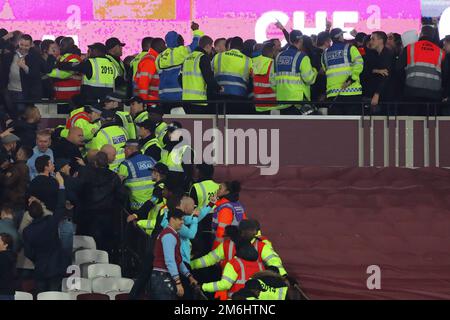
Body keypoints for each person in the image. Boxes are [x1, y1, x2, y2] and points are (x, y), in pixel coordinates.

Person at [22, 172, 69, 293]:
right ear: (42, 210)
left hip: (40, 268)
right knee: (54, 295)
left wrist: (38, 258)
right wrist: (61, 185)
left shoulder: (27, 231)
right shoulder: (50, 222)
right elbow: (60, 206)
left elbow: (28, 252)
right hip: (56, 266)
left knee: (41, 295)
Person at [78, 152, 126, 255]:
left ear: (95, 162)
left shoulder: (86, 176)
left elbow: (79, 192)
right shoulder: (114, 177)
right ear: (107, 162)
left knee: (90, 245)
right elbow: (121, 196)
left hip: (89, 216)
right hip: (108, 216)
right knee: (105, 246)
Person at [0, 34, 56, 120]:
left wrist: (24, 67)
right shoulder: (9, 56)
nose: (23, 47)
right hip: (9, 91)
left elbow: (42, 72)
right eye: (21, 45)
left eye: (26, 45)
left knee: (23, 116)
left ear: (31, 45)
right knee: (11, 115)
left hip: (25, 93)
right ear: (18, 43)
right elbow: (4, 73)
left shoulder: (35, 57)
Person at [150, 208, 198, 300]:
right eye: (180, 219)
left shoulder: (172, 234)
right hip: (162, 278)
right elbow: (170, 261)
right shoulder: (169, 236)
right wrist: (178, 282)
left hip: (163, 277)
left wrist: (189, 276)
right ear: (172, 219)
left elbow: (177, 260)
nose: (182, 222)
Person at [397, 25, 444, 116]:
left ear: (421, 34)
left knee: (412, 124)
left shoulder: (410, 48)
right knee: (430, 125)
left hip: (412, 92)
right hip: (433, 94)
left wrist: (406, 81)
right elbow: (446, 74)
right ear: (433, 36)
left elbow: (398, 68)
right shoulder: (440, 52)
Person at [156, 22, 203, 112]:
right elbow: (195, 46)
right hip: (178, 96)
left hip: (163, 97)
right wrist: (196, 31)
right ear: (177, 41)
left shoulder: (159, 57)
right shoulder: (179, 52)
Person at [274, 30, 318, 114]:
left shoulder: (278, 56)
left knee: (286, 126)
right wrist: (314, 71)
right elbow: (309, 79)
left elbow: (272, 80)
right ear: (301, 40)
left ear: (290, 40)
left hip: (282, 101)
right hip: (298, 102)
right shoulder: (302, 57)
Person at [322, 28, 364, 115]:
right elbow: (359, 63)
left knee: (337, 125)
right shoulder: (350, 48)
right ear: (340, 36)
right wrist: (351, 79)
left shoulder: (324, 54)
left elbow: (326, 70)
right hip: (352, 92)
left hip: (333, 94)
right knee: (353, 125)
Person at [213, 36, 253, 114]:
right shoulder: (248, 60)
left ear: (230, 45)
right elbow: (252, 77)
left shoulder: (219, 56)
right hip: (239, 96)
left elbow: (210, 72)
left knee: (221, 121)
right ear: (242, 47)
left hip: (221, 95)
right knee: (235, 122)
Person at [181, 35, 221, 114]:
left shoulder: (187, 57)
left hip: (185, 99)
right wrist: (218, 88)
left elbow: (179, 78)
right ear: (208, 46)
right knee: (198, 125)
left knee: (190, 125)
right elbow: (208, 78)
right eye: (211, 46)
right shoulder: (203, 57)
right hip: (198, 100)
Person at [118, 139, 157, 212]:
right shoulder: (151, 160)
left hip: (138, 207)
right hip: (153, 204)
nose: (124, 152)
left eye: (125, 149)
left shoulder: (126, 164)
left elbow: (117, 184)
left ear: (130, 149)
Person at [363, 31, 394, 115]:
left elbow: (385, 76)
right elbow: (365, 69)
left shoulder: (388, 55)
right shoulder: (373, 54)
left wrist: (377, 94)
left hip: (385, 96)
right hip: (374, 94)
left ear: (381, 40)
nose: (370, 42)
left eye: (373, 39)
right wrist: (376, 70)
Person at [211, 181, 247, 249]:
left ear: (227, 192)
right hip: (236, 243)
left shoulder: (225, 208)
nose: (217, 190)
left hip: (226, 245)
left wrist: (215, 250)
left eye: (220, 188)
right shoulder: (237, 204)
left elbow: (221, 232)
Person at [160, 122, 194, 191]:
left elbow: (187, 174)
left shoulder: (185, 149)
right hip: (165, 188)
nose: (170, 135)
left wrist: (180, 190)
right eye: (169, 132)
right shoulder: (164, 149)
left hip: (178, 189)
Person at [47, 37, 82, 102]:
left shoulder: (74, 58)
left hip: (71, 97)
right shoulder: (61, 58)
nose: (60, 47)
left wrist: (47, 72)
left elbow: (63, 74)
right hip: (59, 96)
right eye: (60, 45)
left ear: (70, 46)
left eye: (63, 45)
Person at [134, 38, 165, 102]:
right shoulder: (150, 60)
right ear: (160, 46)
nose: (166, 47)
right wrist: (143, 102)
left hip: (151, 101)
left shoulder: (154, 59)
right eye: (164, 45)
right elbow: (143, 83)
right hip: (149, 102)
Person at [252, 42, 276, 113]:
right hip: (271, 104)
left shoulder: (255, 62)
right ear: (273, 51)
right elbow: (274, 83)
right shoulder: (273, 63)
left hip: (258, 104)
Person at [311, 31, 331, 102]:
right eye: (330, 41)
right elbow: (320, 71)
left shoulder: (313, 53)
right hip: (320, 90)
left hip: (316, 89)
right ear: (326, 42)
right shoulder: (319, 54)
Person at [0, 233, 16, 300]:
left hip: (2, 292)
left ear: (6, 245)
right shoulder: (10, 255)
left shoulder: (3, 257)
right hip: (8, 292)